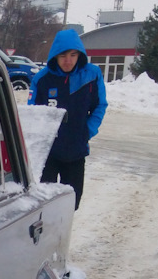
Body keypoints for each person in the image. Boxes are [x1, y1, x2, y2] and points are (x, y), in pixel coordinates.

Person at [29, 28, 106, 209]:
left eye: (73, 55)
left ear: (80, 55)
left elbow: (100, 106)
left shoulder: (92, 75)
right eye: (63, 55)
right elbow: (34, 114)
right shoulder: (42, 79)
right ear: (55, 55)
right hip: (48, 153)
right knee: (43, 203)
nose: (68, 60)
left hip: (76, 151)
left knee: (71, 203)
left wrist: (87, 131)